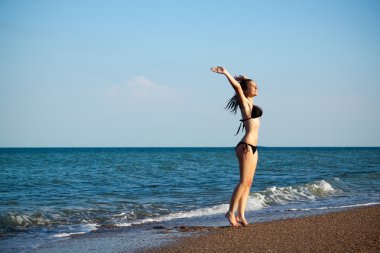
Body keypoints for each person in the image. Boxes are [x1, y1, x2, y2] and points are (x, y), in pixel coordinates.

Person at [211, 66, 262, 226]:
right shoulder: (245, 102)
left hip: (253, 147)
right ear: (246, 91)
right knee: (242, 181)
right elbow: (238, 87)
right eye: (254, 87)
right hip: (245, 145)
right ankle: (230, 212)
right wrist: (226, 73)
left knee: (249, 182)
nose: (257, 88)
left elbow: (244, 86)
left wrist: (246, 78)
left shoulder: (251, 102)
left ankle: (241, 215)